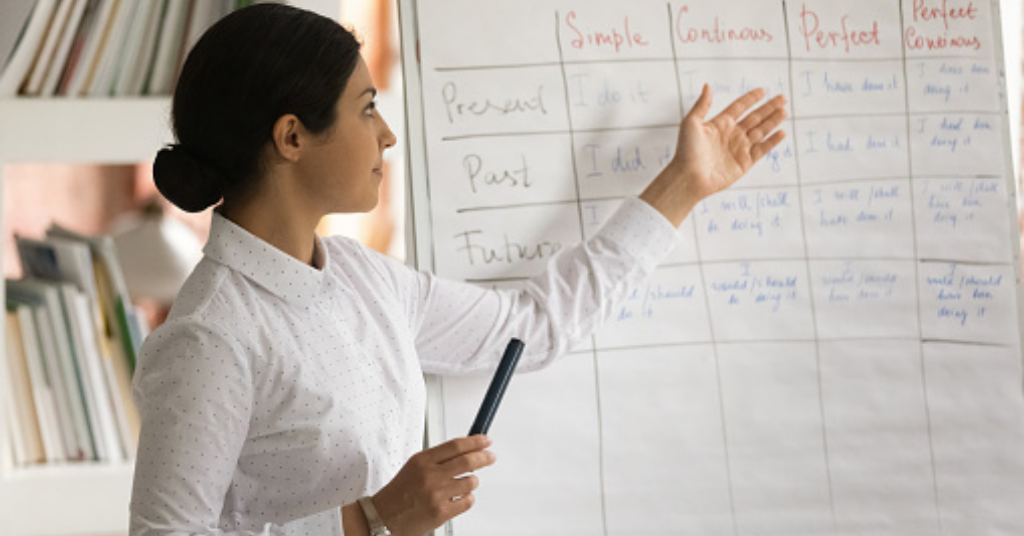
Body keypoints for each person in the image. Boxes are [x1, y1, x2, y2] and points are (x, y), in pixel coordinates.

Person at [128, 4, 787, 536]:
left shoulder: (364, 277)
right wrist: (368, 521)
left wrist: (683, 185)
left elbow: (531, 328)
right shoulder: (211, 338)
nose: (386, 133)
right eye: (366, 108)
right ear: (292, 137)